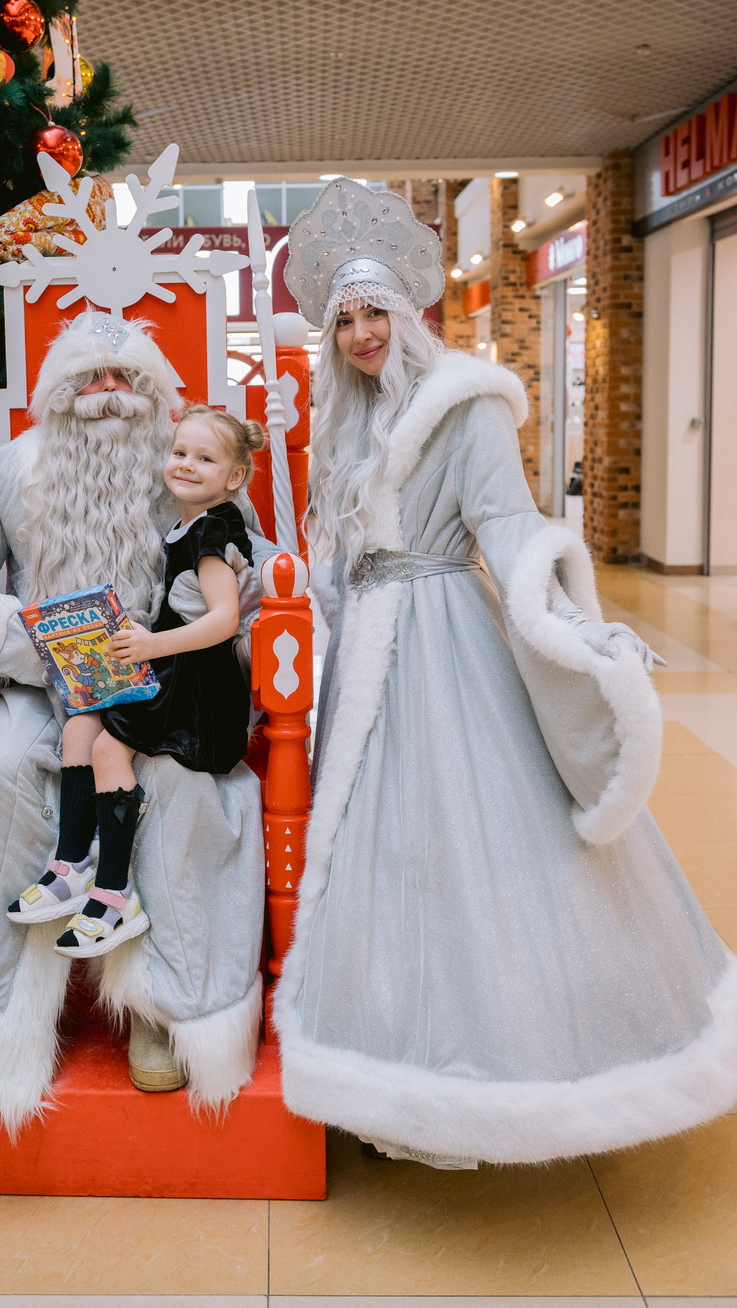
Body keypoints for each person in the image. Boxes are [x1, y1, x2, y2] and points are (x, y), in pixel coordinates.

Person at [274, 177, 737, 1167]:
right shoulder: (343, 416)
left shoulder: (466, 404)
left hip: (443, 637)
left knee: (467, 837)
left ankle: (493, 1078)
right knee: (382, 850)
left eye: (373, 313)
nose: (360, 334)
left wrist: (576, 626)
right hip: (364, 651)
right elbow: (335, 550)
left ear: (408, 311)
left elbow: (508, 527)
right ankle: (394, 1072)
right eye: (343, 319)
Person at [0, 314, 271, 1133]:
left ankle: (163, 1009)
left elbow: (255, 565)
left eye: (126, 379)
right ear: (59, 394)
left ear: (156, 395)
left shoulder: (185, 465)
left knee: (177, 785)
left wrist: (208, 613)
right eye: (89, 379)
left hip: (160, 683)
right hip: (40, 682)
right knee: (0, 774)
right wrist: (16, 632)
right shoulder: (7, 470)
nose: (108, 394)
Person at [7, 405, 266, 962]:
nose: (187, 464)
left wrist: (151, 645)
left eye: (205, 458)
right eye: (180, 452)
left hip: (200, 690)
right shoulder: (187, 525)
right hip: (173, 667)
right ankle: (72, 863)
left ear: (234, 476)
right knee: (79, 726)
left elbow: (224, 620)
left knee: (107, 748)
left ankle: (114, 893)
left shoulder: (213, 532)